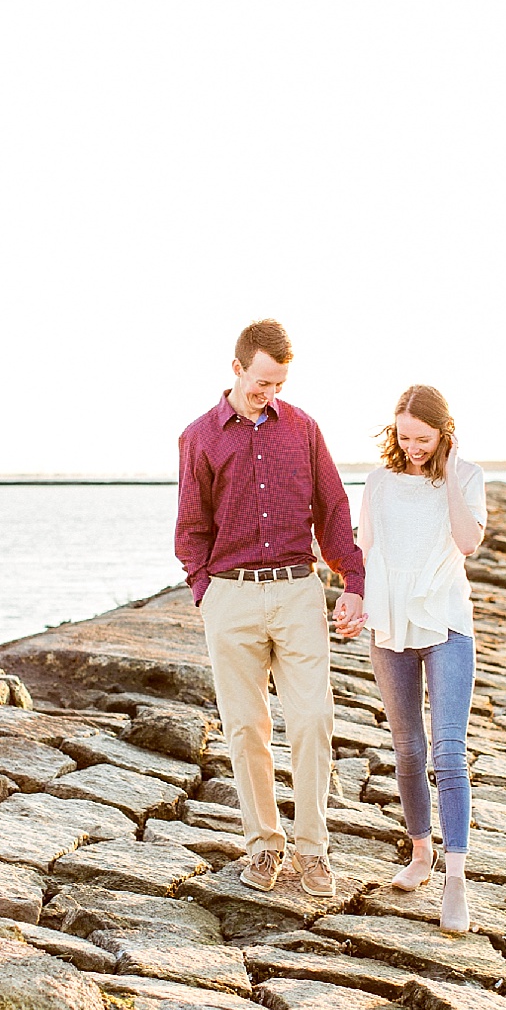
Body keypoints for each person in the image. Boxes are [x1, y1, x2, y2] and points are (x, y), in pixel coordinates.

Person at [175, 319, 367, 898]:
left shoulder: (303, 429)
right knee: (246, 728)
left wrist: (351, 579)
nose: (270, 394)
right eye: (262, 382)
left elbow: (333, 508)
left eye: (279, 383)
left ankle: (312, 849)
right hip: (229, 595)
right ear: (236, 369)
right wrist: (204, 591)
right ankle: (264, 845)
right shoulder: (200, 437)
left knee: (313, 718)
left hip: (295, 589)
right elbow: (191, 525)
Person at [356, 385, 486, 932]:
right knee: (408, 749)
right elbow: (363, 549)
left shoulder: (467, 475)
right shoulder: (380, 482)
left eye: (424, 438)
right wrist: (353, 599)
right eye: (404, 437)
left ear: (443, 433)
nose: (412, 447)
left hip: (447, 620)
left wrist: (451, 472)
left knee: (448, 751)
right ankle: (420, 856)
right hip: (391, 622)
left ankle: (456, 882)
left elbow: (468, 541)